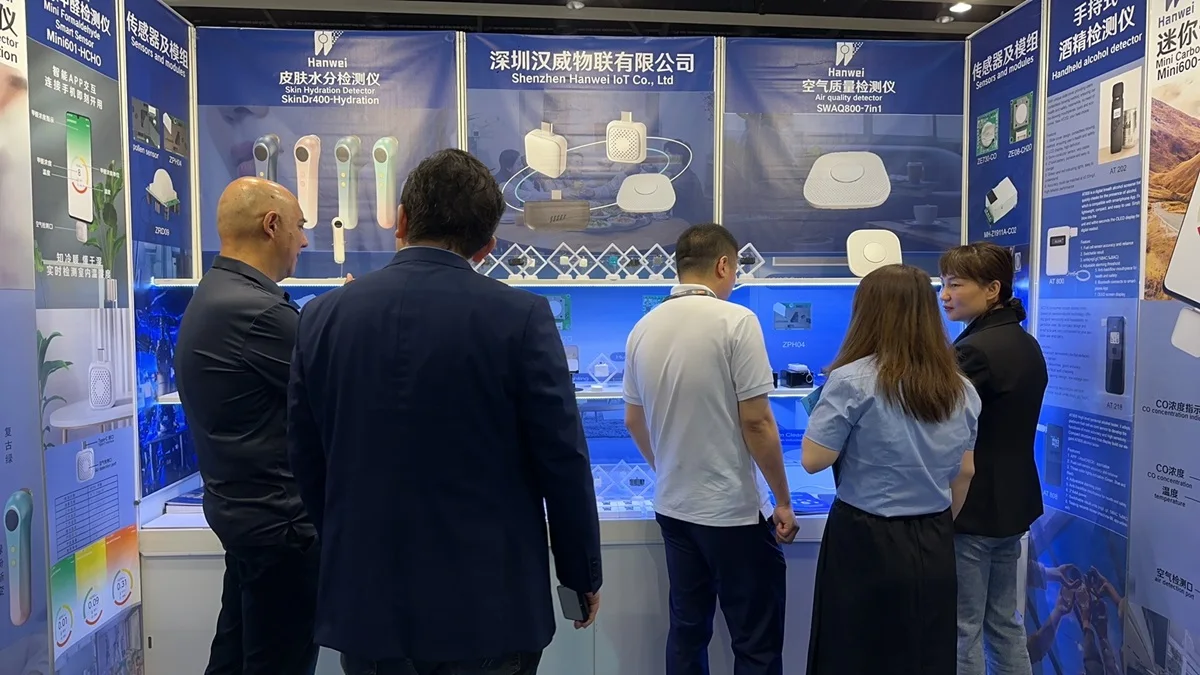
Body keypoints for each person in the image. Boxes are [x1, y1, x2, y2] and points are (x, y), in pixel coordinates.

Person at [288, 149, 603, 675]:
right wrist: (579, 576)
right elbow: (562, 461)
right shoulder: (521, 317)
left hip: (367, 605)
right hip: (489, 609)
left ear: (402, 221)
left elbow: (305, 456)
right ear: (487, 246)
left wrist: (349, 542)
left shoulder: (321, 317)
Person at [622, 223, 798, 675]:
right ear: (723, 265)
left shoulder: (643, 328)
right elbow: (757, 421)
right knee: (755, 641)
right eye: (735, 269)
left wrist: (667, 467)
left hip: (674, 506)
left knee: (687, 630)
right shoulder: (736, 321)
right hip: (732, 512)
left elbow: (633, 420)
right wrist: (782, 499)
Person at [802, 263, 980, 675]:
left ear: (867, 312)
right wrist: (936, 519)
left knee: (855, 653)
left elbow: (813, 460)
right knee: (926, 653)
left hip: (865, 539)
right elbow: (965, 472)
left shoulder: (852, 380)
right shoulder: (962, 388)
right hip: (934, 537)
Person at [173, 177, 317, 675]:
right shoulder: (258, 313)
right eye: (299, 226)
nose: (304, 240)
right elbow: (335, 383)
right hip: (280, 529)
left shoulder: (217, 293)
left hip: (247, 520)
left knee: (235, 656)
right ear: (272, 225)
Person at [940, 243, 1048, 675]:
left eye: (955, 284)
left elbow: (938, 422)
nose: (945, 295)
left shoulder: (973, 352)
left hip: (972, 505)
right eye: (943, 284)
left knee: (962, 628)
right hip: (1014, 502)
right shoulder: (1026, 343)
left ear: (992, 289)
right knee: (1004, 623)